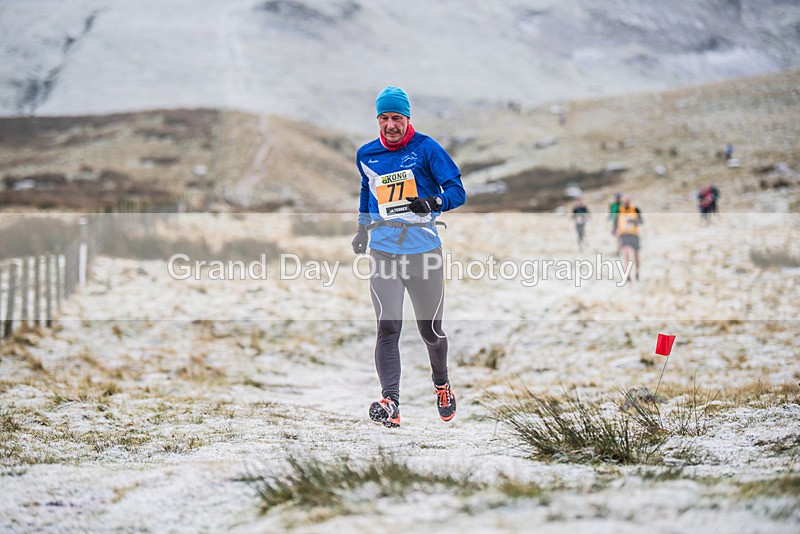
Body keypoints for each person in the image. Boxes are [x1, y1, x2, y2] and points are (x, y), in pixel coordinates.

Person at [351, 86, 466, 428]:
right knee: (388, 326)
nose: (390, 125)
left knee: (430, 330)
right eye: (384, 118)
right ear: (378, 120)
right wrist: (362, 228)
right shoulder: (366, 155)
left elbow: (457, 191)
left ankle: (441, 384)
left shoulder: (427, 149)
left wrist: (433, 203)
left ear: (407, 119)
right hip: (383, 250)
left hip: (424, 252)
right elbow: (365, 191)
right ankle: (391, 402)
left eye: (397, 118)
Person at [617, 196, 643, 282]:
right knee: (626, 254)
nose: (626, 203)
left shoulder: (635, 209)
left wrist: (633, 221)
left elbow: (641, 222)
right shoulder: (620, 210)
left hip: (634, 235)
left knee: (636, 256)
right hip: (624, 235)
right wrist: (616, 231)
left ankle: (637, 272)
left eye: (628, 201)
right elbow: (616, 222)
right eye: (625, 201)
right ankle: (628, 274)